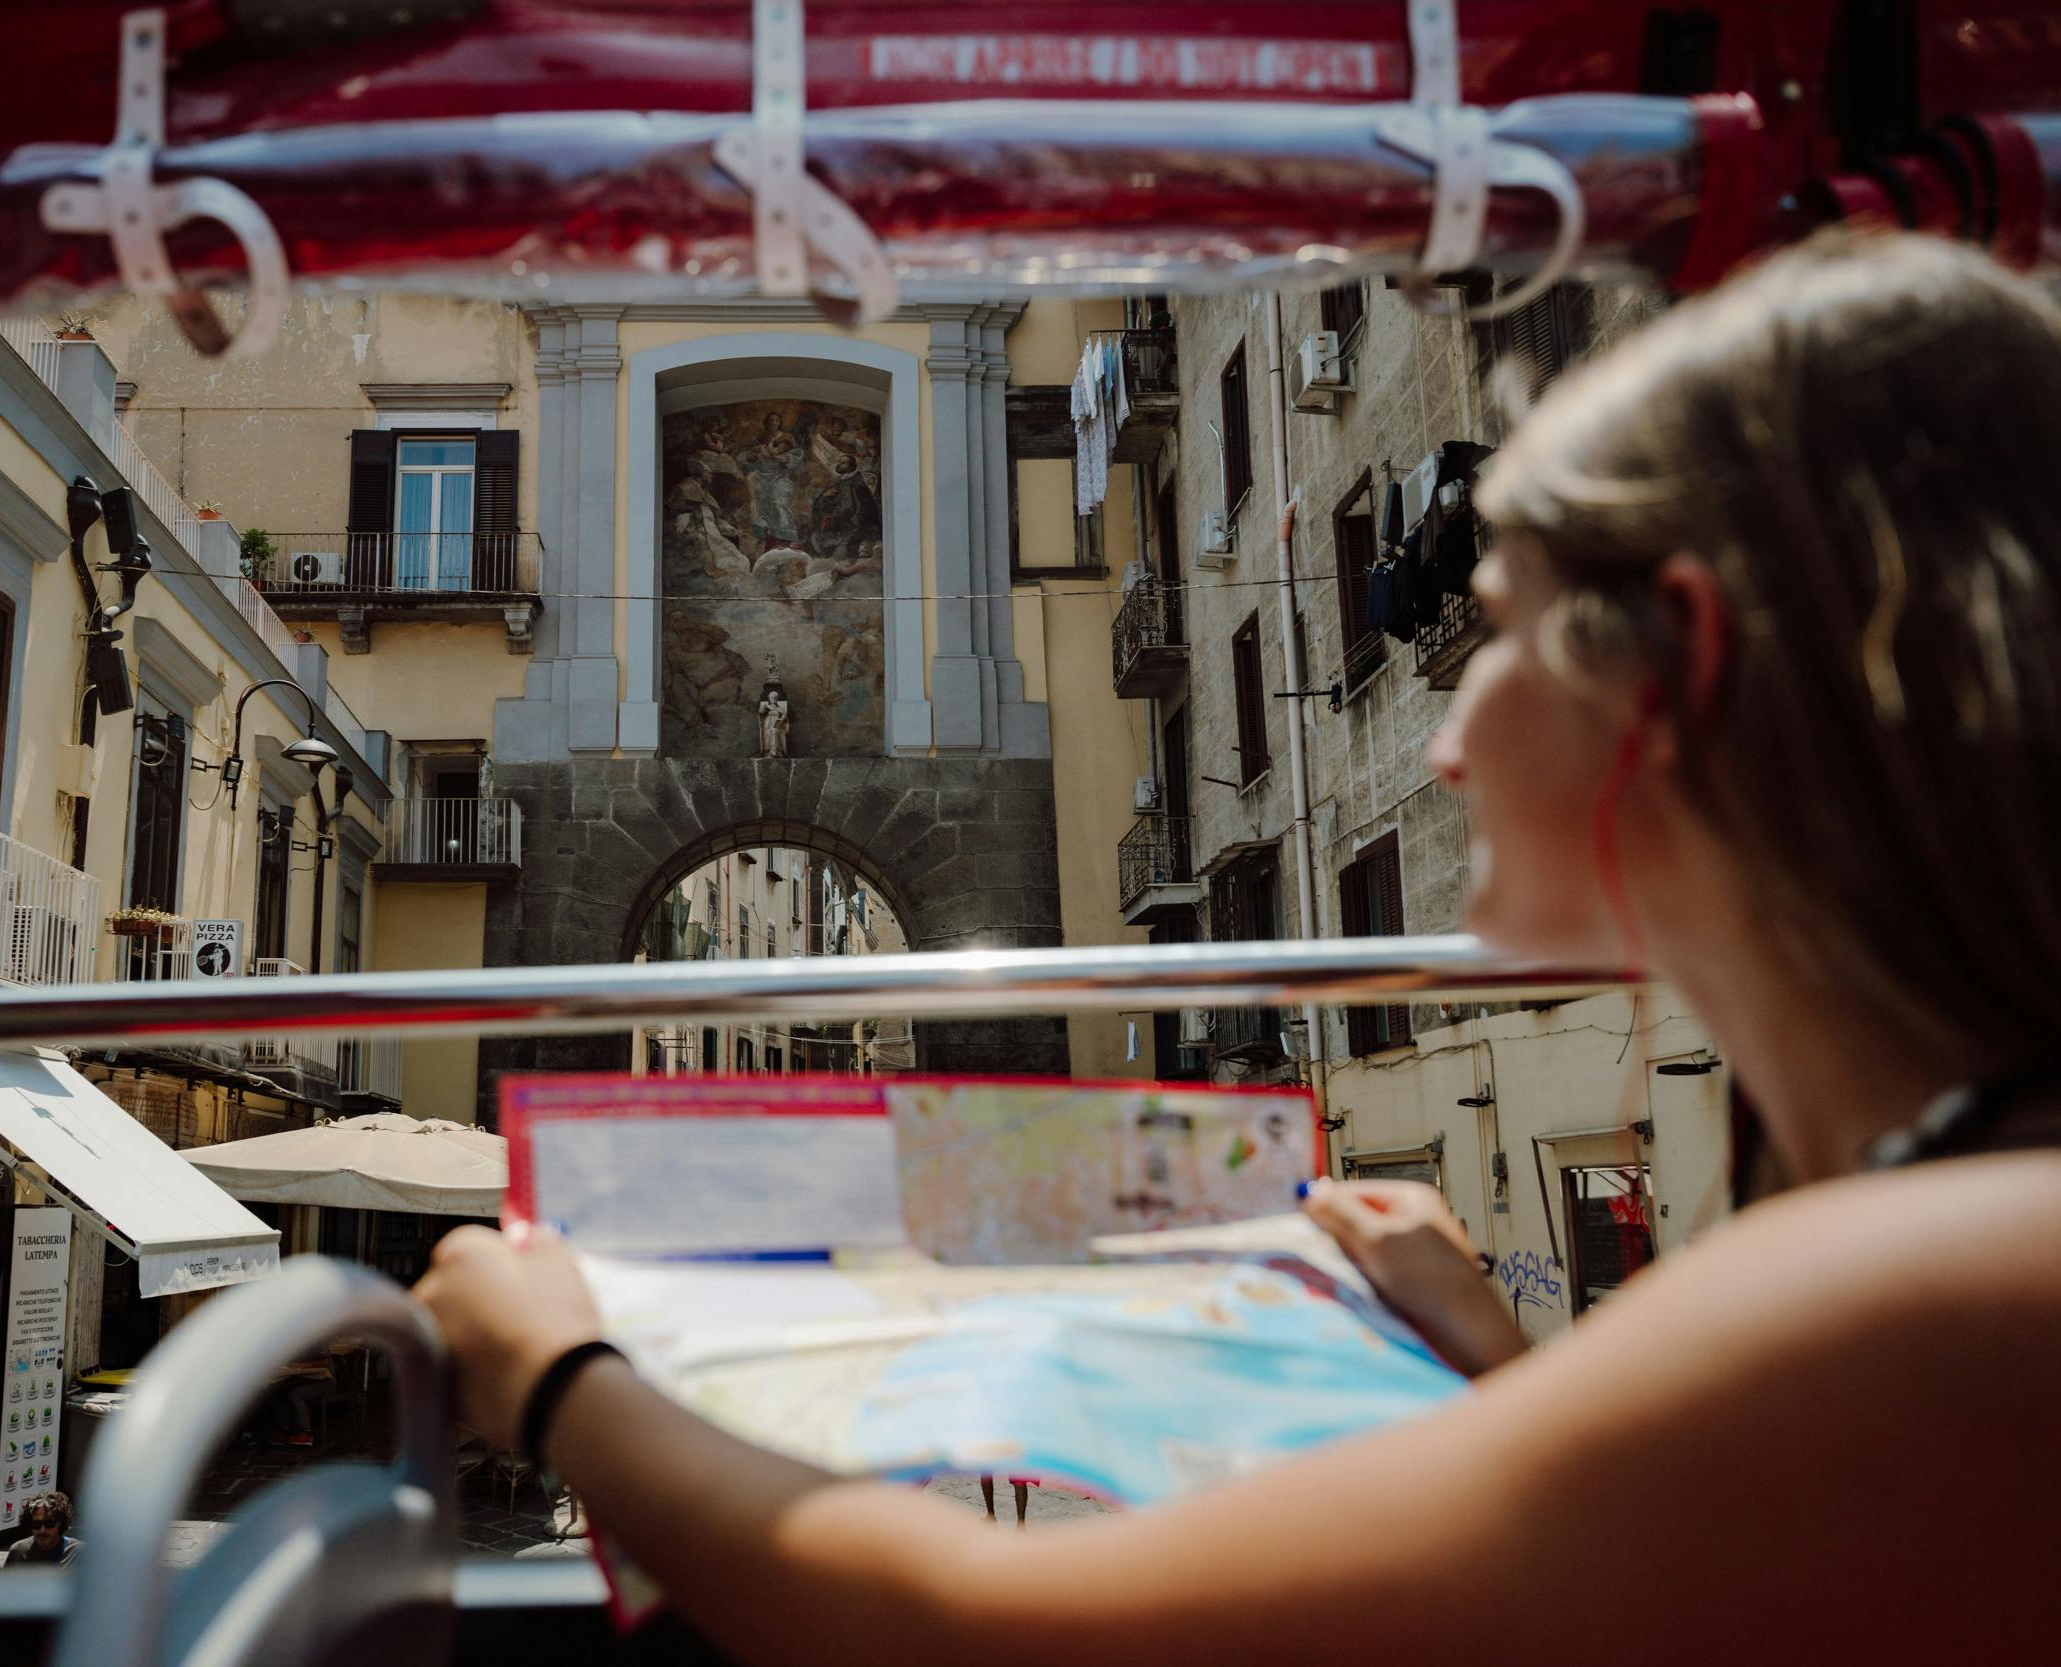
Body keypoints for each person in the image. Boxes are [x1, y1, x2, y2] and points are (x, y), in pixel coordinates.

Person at [418, 233, 2061, 1663]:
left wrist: (561, 1374)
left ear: (1681, 657)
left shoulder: (1911, 1288)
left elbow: (978, 1635)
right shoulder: (1934, 1219)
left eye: (1483, 620)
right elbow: (1690, 1567)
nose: (1441, 742)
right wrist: (1489, 1355)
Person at [2, 1490, 82, 1568]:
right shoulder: (18, 1552)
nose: (42, 1530)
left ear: (60, 1523)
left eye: (49, 1523)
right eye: (36, 1524)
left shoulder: (78, 1553)